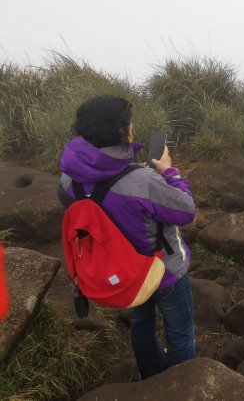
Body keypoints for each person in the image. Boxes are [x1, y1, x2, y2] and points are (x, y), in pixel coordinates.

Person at [57, 95, 196, 380]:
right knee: (180, 332)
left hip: (122, 270)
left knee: (141, 324)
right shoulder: (142, 181)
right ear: (121, 131)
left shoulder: (68, 179)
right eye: (129, 123)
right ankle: (179, 386)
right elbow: (185, 210)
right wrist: (169, 172)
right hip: (163, 269)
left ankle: (150, 376)